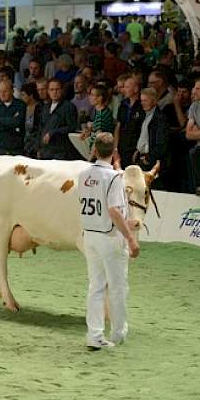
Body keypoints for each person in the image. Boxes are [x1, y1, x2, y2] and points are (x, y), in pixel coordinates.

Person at [79, 133, 140, 350]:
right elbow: (113, 210)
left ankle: (94, 335)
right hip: (110, 237)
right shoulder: (114, 177)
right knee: (117, 287)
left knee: (96, 286)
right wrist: (130, 238)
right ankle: (117, 333)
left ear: (95, 150)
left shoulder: (83, 174)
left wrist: (125, 223)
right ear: (114, 152)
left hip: (90, 234)